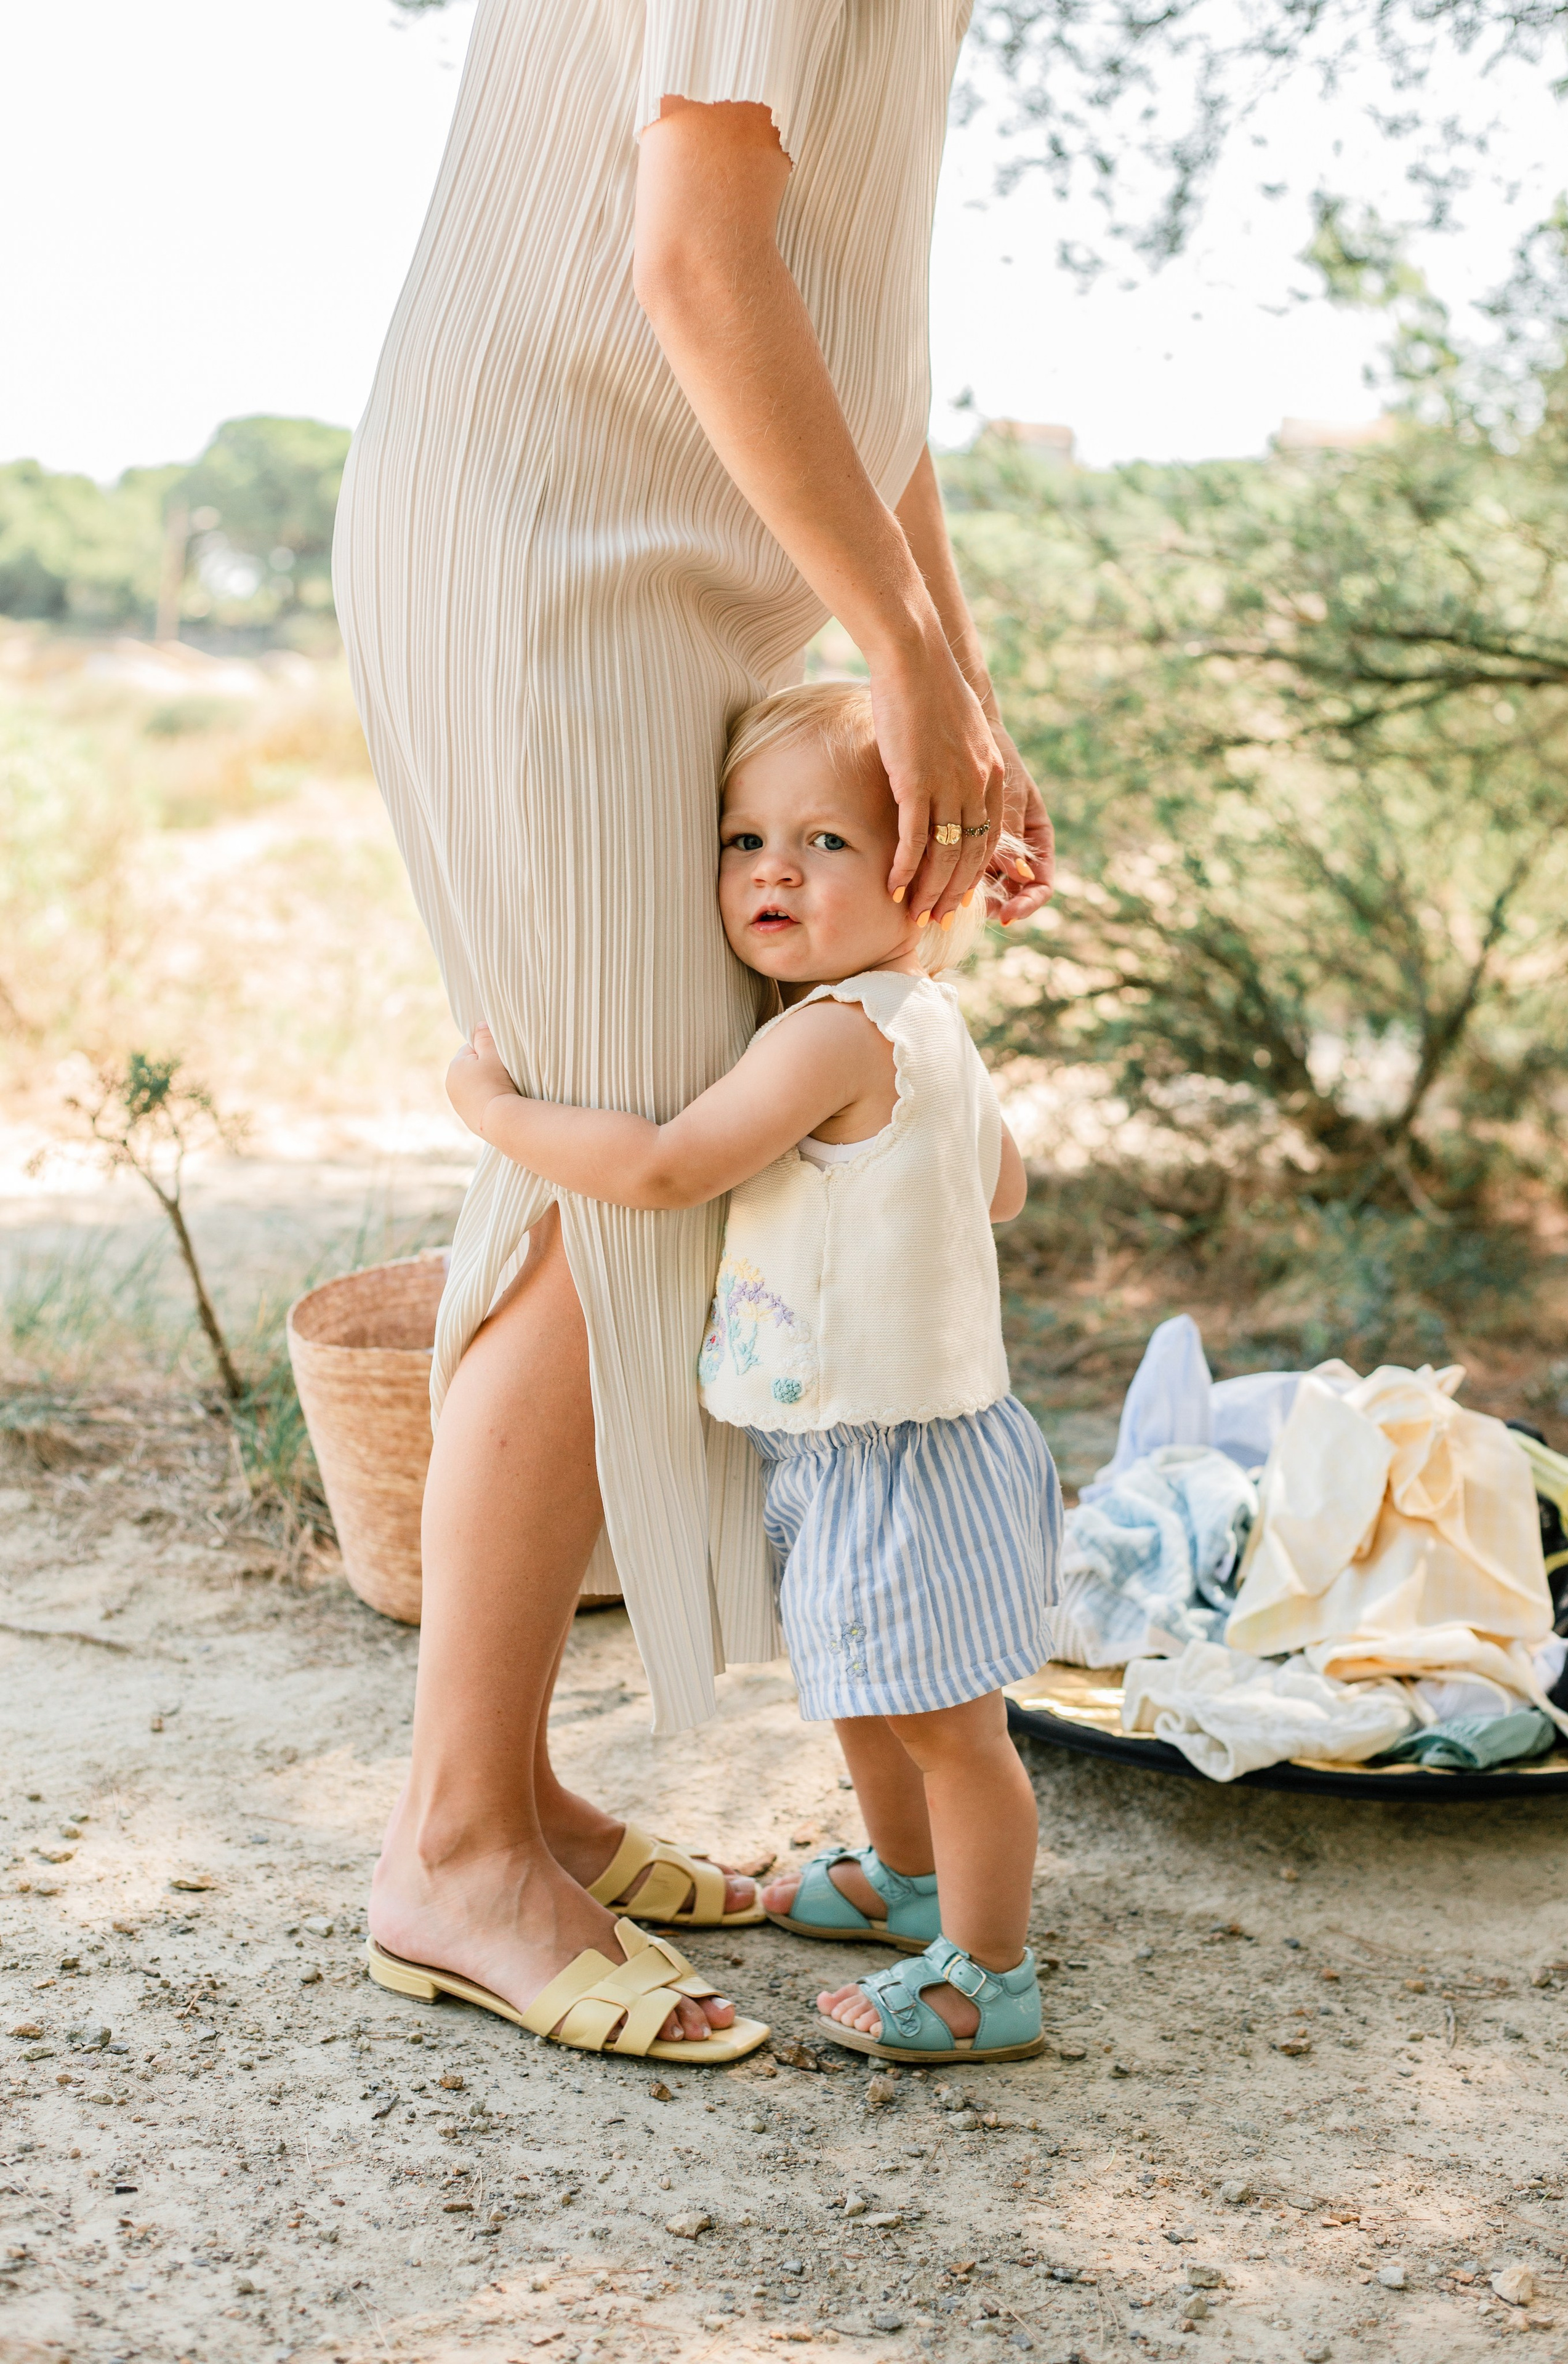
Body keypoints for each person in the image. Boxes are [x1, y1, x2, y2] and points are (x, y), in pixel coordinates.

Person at [334, 0, 1053, 2062]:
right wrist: (899, 654)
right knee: (623, 1187)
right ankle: (455, 1851)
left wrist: (951, 679)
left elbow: (853, 340)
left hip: (692, 562)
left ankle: (510, 1793)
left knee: (612, 1178)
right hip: (548, 543)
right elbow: (692, 258)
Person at [443, 682, 1058, 2065]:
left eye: (827, 842)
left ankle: (989, 1972)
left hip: (899, 1445)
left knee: (949, 1726)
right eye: (744, 841)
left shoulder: (831, 1032)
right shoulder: (920, 1022)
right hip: (864, 1436)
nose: (775, 870)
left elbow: (666, 1169)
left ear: (920, 875)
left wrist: (495, 1112)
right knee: (864, 1687)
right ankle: (909, 1883)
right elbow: (1002, 1188)